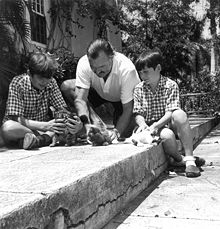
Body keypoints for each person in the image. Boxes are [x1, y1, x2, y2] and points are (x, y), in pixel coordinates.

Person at [133, 50, 203, 178]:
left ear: (158, 68)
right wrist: (142, 123)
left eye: (146, 71)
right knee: (167, 136)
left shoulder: (170, 85)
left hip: (166, 122)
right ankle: (179, 160)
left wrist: (157, 125)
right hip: (151, 128)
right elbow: (138, 112)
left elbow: (171, 112)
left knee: (180, 114)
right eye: (140, 72)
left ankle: (190, 161)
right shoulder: (139, 88)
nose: (143, 76)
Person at [61, 39, 140, 140]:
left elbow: (128, 109)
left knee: (123, 135)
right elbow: (80, 99)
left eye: (102, 66)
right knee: (67, 87)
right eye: (93, 67)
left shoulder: (127, 70)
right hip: (98, 92)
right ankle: (96, 121)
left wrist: (116, 132)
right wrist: (87, 124)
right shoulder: (84, 63)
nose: (98, 71)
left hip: (123, 101)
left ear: (112, 57)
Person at [1, 52, 83, 150]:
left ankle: (35, 140)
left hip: (41, 129)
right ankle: (44, 139)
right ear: (29, 73)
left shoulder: (51, 83)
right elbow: (16, 118)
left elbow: (63, 109)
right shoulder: (18, 83)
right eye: (40, 78)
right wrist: (45, 126)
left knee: (70, 127)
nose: (45, 82)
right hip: (21, 129)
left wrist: (75, 124)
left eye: (48, 78)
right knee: (8, 127)